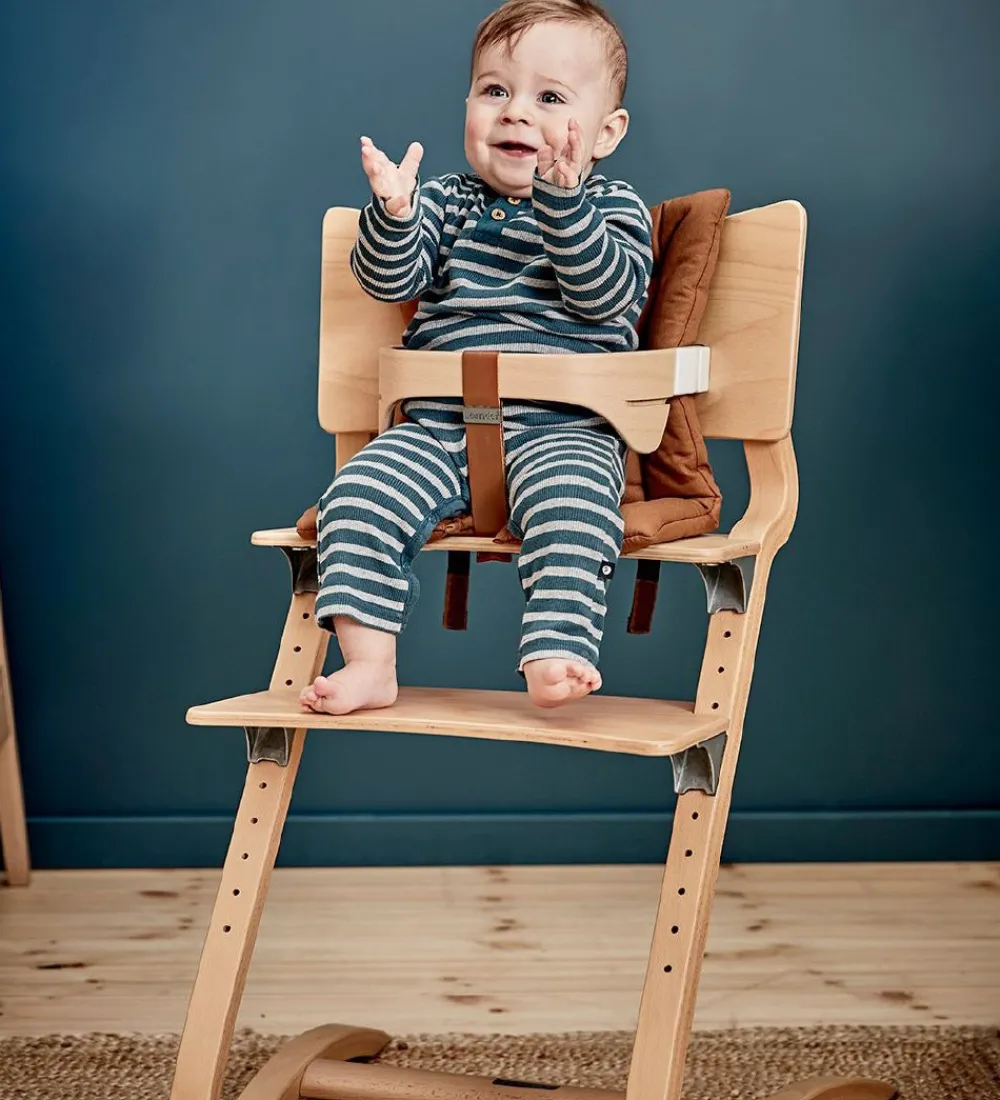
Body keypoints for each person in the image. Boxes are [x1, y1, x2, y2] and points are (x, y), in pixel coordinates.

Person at [300, 0, 652, 715]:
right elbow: (390, 280)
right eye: (495, 90)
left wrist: (564, 205)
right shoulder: (448, 203)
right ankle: (370, 662)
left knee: (577, 511)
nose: (515, 111)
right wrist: (395, 215)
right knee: (356, 497)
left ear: (607, 132)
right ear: (468, 105)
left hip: (563, 428)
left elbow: (607, 296)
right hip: (438, 426)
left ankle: (556, 650)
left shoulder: (612, 207)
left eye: (549, 98)